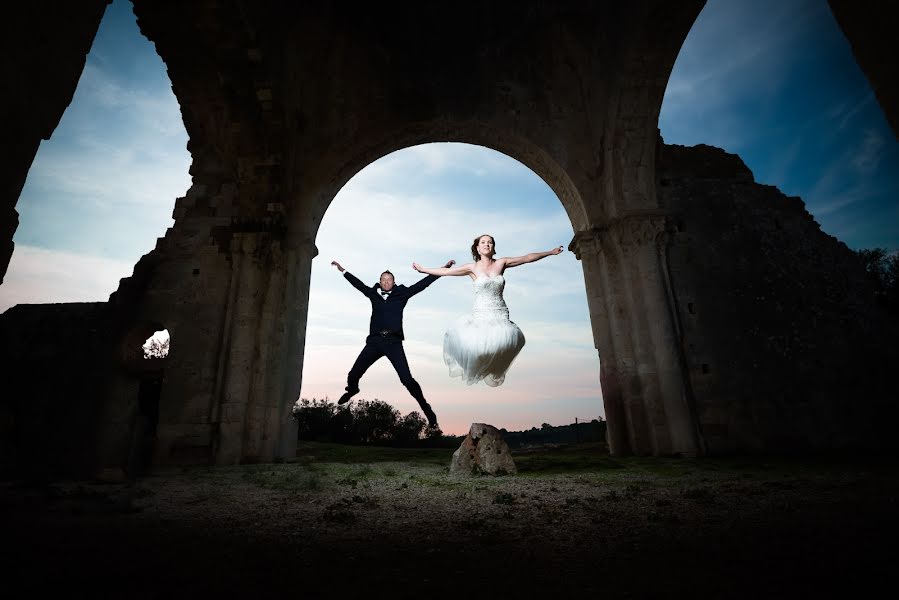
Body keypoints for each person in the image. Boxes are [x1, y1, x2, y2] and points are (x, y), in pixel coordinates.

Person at [413, 235, 563, 387]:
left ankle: (492, 367)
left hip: (500, 311)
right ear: (477, 248)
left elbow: (526, 258)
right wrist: (423, 269)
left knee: (504, 343)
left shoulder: (501, 263)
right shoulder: (472, 267)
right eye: (483, 242)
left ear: (493, 247)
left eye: (490, 242)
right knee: (480, 348)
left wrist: (550, 252)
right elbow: (445, 272)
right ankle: (480, 367)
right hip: (482, 312)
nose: (487, 244)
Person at [330, 259, 455, 429]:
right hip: (374, 342)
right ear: (380, 282)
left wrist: (443, 269)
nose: (386, 282)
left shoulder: (402, 294)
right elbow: (358, 284)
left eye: (389, 279)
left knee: (407, 380)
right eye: (383, 279)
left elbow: (423, 284)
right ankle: (352, 389)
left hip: (393, 343)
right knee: (353, 374)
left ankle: (428, 412)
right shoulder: (373, 294)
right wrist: (342, 270)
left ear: (393, 282)